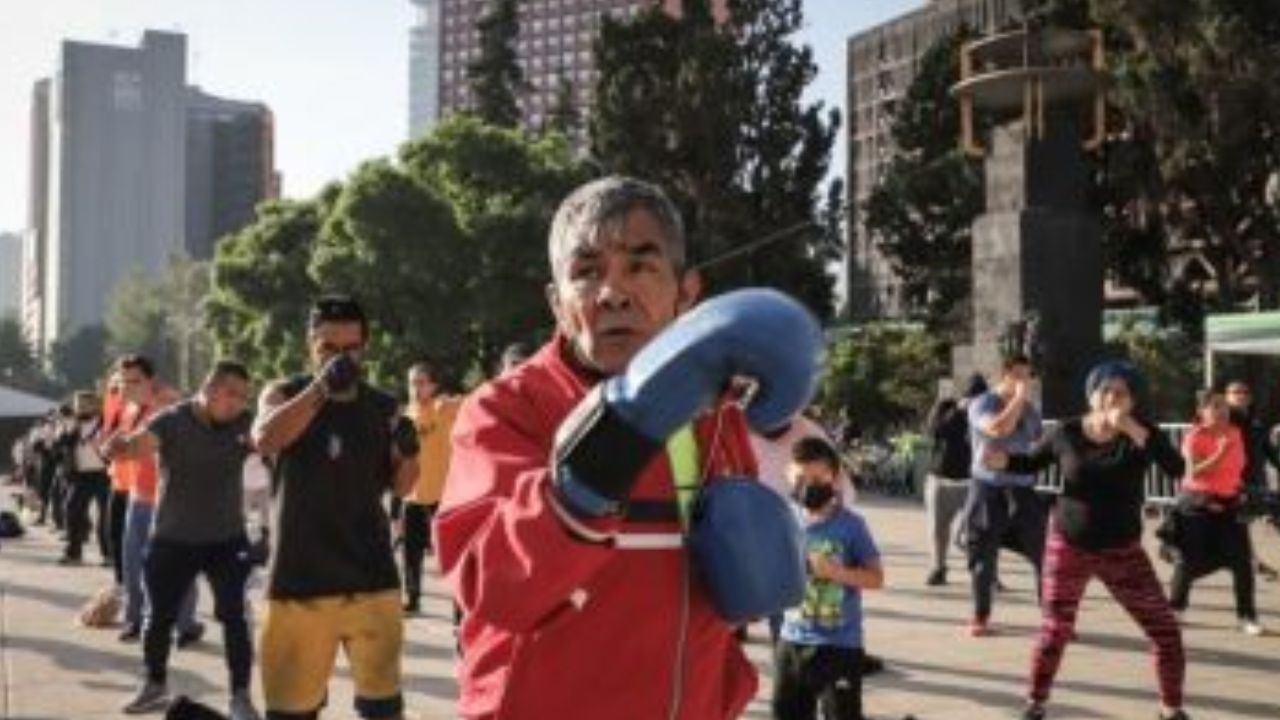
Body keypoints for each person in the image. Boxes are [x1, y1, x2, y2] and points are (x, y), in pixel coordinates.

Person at [435, 176, 820, 719]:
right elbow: (496, 586)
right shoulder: (504, 409)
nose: (613, 292)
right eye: (586, 272)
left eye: (641, 265)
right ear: (557, 303)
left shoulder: (717, 415)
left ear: (686, 293)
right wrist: (614, 438)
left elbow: (729, 602)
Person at [985, 361, 1189, 720]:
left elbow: (1176, 469)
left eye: (1121, 391)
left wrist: (1131, 427)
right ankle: (1036, 702)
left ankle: (1171, 709)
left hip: (1123, 551)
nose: (1112, 397)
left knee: (1166, 632)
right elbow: (1030, 463)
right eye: (1105, 390)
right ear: (1092, 395)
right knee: (1054, 631)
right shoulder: (1066, 432)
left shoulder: (1142, 434)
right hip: (1068, 545)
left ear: (1132, 399)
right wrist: (1002, 460)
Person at [253, 295, 420, 720]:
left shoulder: (383, 406)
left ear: (365, 348)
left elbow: (403, 485)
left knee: (384, 710)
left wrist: (409, 453)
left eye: (349, 349)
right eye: (328, 348)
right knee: (291, 712)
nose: (339, 358)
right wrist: (322, 388)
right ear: (310, 345)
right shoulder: (284, 393)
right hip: (298, 584)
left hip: (373, 580)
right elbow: (266, 439)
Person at [106, 362, 261, 719]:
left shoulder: (245, 422)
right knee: (158, 616)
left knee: (235, 618)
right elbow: (137, 445)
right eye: (231, 394)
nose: (238, 403)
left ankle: (240, 696)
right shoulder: (172, 420)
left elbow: (270, 441)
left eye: (243, 396)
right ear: (208, 388)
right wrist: (121, 446)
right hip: (173, 538)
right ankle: (153, 683)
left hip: (227, 538)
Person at [773, 437, 884, 720]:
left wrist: (837, 572)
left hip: (840, 647)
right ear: (788, 476)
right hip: (791, 642)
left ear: (835, 479)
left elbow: (876, 578)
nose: (808, 485)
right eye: (801, 477)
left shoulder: (851, 525)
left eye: (818, 477)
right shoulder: (783, 519)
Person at [112, 354, 200, 644]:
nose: (127, 387)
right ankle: (134, 620)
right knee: (133, 564)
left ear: (151, 380)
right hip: (138, 496)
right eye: (123, 381)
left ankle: (185, 625)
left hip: (170, 499)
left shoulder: (168, 404)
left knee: (177, 566)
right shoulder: (128, 408)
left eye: (134, 381)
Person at [962, 354, 1046, 636]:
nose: (1026, 382)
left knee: (1044, 553)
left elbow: (1036, 440)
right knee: (983, 555)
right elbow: (998, 428)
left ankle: (1051, 617)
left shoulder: (1030, 409)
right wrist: (1018, 399)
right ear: (1005, 375)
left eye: (1028, 376)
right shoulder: (983, 402)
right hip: (988, 488)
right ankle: (980, 615)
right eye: (1020, 375)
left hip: (1022, 489)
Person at [1168, 389, 1264, 635]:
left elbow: (1237, 468)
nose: (1222, 411)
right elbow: (1193, 473)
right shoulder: (1194, 437)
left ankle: (1247, 617)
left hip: (1229, 503)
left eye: (1223, 406)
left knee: (1242, 562)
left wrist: (1241, 489)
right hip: (1197, 505)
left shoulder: (1235, 433)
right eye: (1215, 406)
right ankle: (1176, 609)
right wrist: (1219, 453)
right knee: (1188, 562)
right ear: (1202, 412)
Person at [400, 361, 461, 615]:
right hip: (413, 497)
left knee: (451, 557)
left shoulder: (444, 408)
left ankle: (461, 606)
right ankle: (412, 598)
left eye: (422, 383)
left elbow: (478, 400)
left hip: (443, 497)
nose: (416, 388)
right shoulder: (406, 416)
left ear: (433, 386)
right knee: (410, 554)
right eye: (412, 382)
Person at [923, 374, 986, 586]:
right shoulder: (945, 407)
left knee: (979, 531)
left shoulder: (985, 412)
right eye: (971, 396)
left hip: (971, 482)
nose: (974, 402)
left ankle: (985, 571)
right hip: (940, 481)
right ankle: (938, 568)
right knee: (938, 529)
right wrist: (958, 410)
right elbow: (934, 431)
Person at [1223, 380, 1280, 580]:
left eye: (1245, 392)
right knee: (1238, 525)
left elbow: (1268, 450)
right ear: (1226, 396)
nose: (1241, 395)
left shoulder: (1256, 421)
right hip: (1232, 483)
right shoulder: (1223, 420)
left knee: (1241, 524)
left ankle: (1251, 563)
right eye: (1235, 392)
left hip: (1255, 481)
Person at [58, 391, 110, 565]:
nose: (81, 408)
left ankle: (108, 554)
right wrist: (70, 427)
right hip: (80, 475)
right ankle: (74, 553)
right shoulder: (71, 425)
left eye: (85, 404)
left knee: (106, 515)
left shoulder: (106, 422)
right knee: (71, 509)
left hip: (104, 474)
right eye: (78, 405)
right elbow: (60, 444)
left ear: (96, 405)